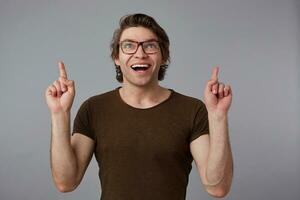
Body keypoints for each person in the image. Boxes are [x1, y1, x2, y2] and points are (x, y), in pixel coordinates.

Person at [45, 13, 233, 200]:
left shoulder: (192, 110)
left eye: (150, 45)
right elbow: (66, 182)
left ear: (164, 56)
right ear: (117, 57)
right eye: (129, 46)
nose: (140, 53)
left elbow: (217, 187)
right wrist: (60, 114)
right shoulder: (93, 109)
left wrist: (218, 117)